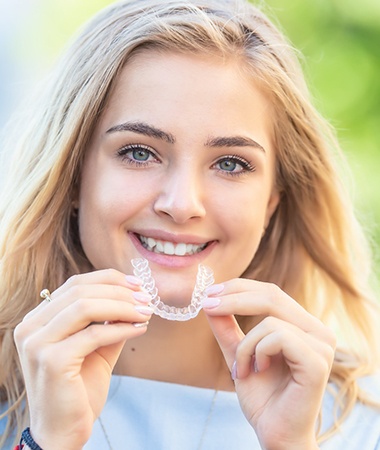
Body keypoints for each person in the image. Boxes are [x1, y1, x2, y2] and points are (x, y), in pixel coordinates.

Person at [0, 0, 379, 448]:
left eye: (232, 164)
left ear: (272, 203)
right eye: (139, 152)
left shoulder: (360, 424)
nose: (182, 205)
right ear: (72, 177)